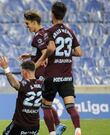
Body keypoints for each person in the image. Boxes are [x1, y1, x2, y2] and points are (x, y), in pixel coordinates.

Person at [36, 2, 83, 135]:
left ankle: (52, 133)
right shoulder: (70, 31)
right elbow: (79, 52)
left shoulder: (50, 31)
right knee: (70, 106)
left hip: (51, 76)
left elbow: (51, 48)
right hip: (67, 76)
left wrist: (44, 57)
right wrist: (67, 52)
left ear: (52, 14)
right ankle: (78, 130)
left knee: (46, 106)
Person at [18, 10, 66, 135]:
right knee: (44, 102)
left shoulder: (37, 36)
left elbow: (46, 52)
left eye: (27, 23)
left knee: (42, 104)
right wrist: (30, 55)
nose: (26, 26)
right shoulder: (46, 32)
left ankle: (53, 131)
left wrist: (35, 64)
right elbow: (44, 51)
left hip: (42, 73)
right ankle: (58, 125)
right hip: (49, 72)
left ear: (34, 22)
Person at [0, 56, 43, 135]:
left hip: (20, 124)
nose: (21, 74)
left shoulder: (25, 84)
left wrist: (6, 68)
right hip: (35, 125)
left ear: (25, 72)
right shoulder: (41, 83)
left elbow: (14, 84)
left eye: (21, 72)